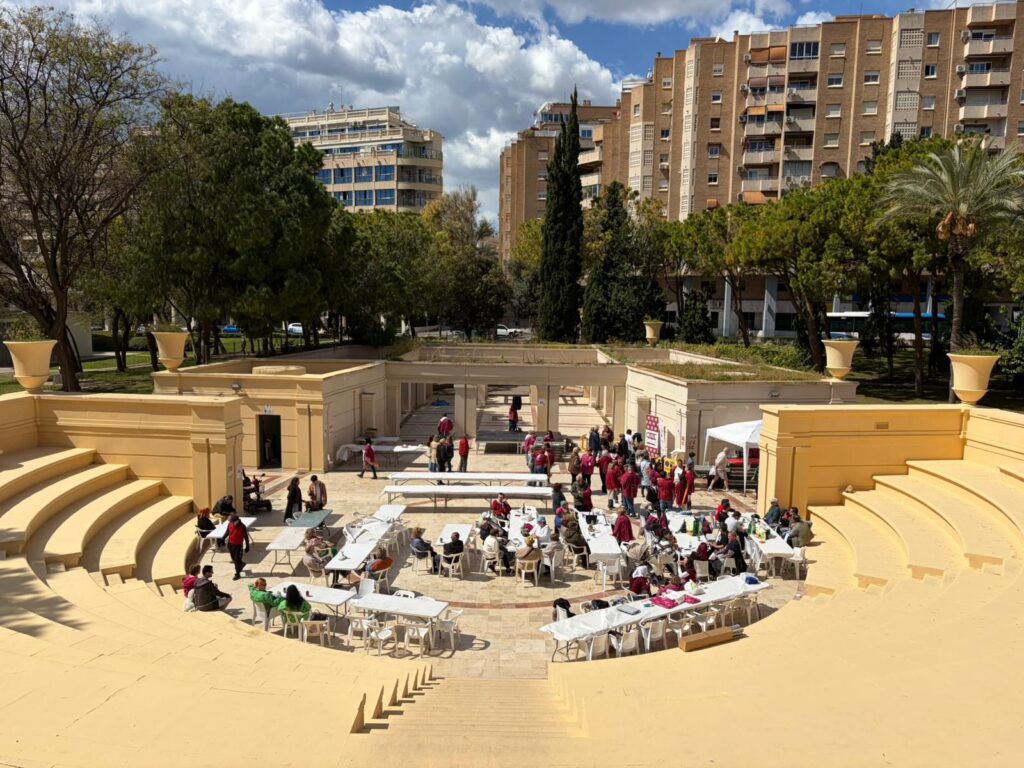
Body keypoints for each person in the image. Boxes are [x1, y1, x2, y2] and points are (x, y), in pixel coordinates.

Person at [225, 514, 252, 580]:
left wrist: (247, 546)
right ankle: (241, 564)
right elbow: (227, 532)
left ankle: (237, 574)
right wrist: (222, 538)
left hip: (238, 545)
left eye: (233, 522)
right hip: (230, 544)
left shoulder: (242, 526)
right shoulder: (230, 524)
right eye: (231, 521)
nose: (231, 523)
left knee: (236, 560)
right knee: (233, 559)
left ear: (237, 521)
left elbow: (246, 537)